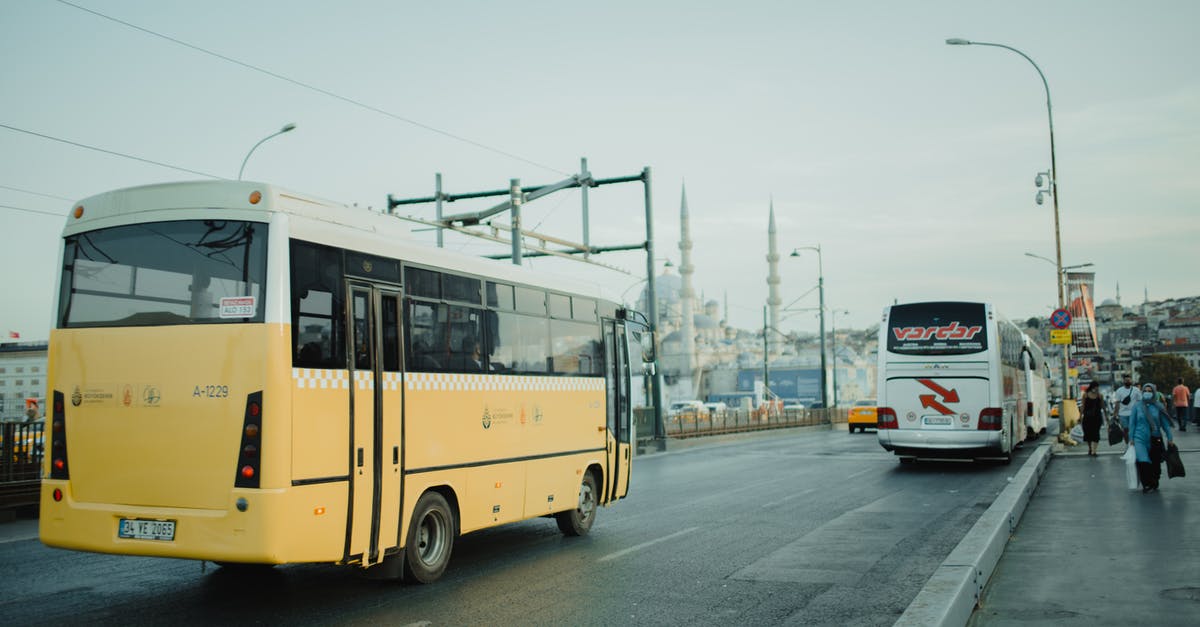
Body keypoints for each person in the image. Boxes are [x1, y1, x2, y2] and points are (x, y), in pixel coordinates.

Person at [1126, 383, 1174, 493]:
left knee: (1155, 463)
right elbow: (1132, 423)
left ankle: (1155, 480)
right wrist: (1131, 438)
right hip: (1140, 438)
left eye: (1150, 391)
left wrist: (1169, 438)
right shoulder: (1137, 406)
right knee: (1143, 461)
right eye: (1145, 391)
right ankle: (1146, 484)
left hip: (1155, 438)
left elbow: (1165, 424)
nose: (1147, 393)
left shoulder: (1158, 406)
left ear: (1154, 392)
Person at [1080, 384, 1105, 456]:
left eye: (1097, 388)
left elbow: (1103, 406)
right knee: (1088, 434)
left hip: (1097, 417)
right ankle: (1090, 448)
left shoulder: (1100, 396)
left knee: (1096, 433)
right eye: (1095, 388)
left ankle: (1094, 451)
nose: (1096, 390)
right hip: (1087, 417)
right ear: (1091, 388)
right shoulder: (1085, 395)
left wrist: (1106, 417)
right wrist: (1080, 416)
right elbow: (1082, 405)